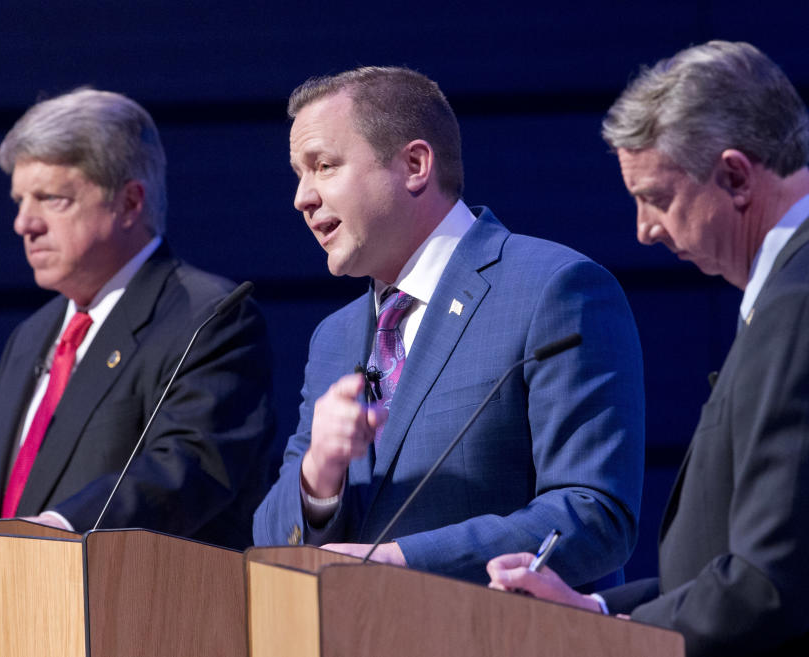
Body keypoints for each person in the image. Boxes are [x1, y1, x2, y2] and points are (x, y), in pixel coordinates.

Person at [488, 41, 809, 656]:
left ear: (734, 175)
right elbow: (740, 554)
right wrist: (591, 608)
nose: (644, 230)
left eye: (657, 198)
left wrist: (610, 640)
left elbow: (769, 583)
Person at [253, 66, 644, 587]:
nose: (302, 197)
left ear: (415, 164)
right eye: (299, 174)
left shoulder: (553, 289)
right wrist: (318, 476)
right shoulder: (334, 337)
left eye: (324, 165)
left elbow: (594, 516)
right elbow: (273, 546)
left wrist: (401, 562)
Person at [0, 89, 275, 549]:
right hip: (16, 608)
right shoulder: (30, 337)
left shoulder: (209, 317)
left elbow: (189, 468)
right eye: (19, 200)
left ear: (130, 202)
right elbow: (9, 513)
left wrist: (47, 533)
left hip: (134, 610)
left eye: (51, 199)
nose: (24, 223)